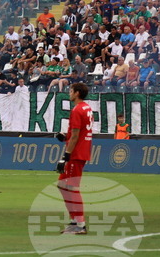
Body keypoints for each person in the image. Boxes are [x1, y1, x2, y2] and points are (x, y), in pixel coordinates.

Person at [56, 82, 93, 235]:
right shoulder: (87, 107)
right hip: (81, 150)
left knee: (70, 187)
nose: (69, 93)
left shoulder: (77, 110)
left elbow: (77, 135)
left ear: (77, 93)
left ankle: (80, 224)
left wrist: (65, 156)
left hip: (76, 153)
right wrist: (66, 136)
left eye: (71, 91)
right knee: (63, 185)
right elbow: (78, 132)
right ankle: (74, 221)